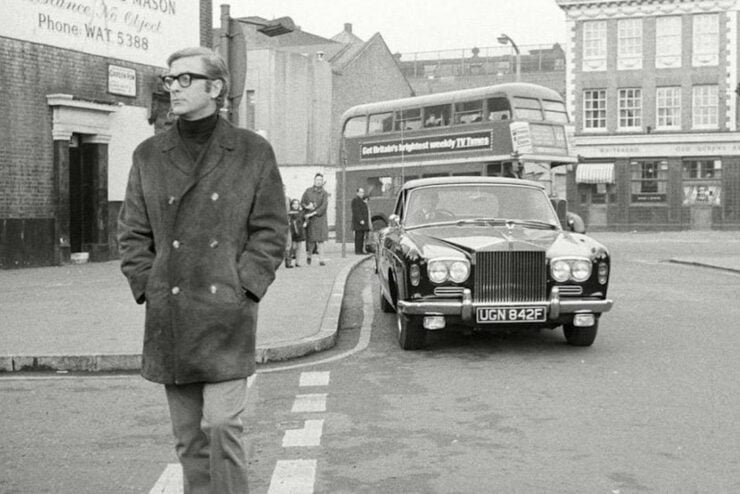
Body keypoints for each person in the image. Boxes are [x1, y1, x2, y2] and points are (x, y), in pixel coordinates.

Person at [117, 46, 288, 494]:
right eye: (170, 80)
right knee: (189, 439)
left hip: (226, 315)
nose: (173, 87)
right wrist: (148, 284)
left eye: (185, 79)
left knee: (222, 426)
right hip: (171, 316)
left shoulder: (251, 151)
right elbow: (133, 234)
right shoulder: (149, 155)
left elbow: (271, 229)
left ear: (215, 88)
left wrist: (245, 287)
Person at [301, 173, 329, 266]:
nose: (319, 182)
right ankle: (309, 255)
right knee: (311, 240)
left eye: (321, 180)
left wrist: (314, 212)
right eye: (317, 180)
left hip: (320, 219)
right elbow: (302, 203)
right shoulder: (308, 191)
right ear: (314, 180)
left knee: (321, 240)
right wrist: (307, 207)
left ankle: (321, 259)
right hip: (310, 219)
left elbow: (324, 206)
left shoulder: (324, 193)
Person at [287, 198, 307, 267]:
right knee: (293, 247)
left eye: (297, 204)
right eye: (294, 204)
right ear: (291, 205)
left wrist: (305, 223)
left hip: (300, 231)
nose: (296, 205)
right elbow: (288, 221)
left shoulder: (301, 212)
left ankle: (297, 262)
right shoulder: (290, 213)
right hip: (293, 231)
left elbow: (305, 218)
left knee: (299, 247)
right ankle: (290, 261)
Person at [351, 187, 370, 254]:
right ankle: (358, 250)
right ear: (357, 193)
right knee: (358, 237)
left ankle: (361, 250)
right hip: (358, 223)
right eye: (361, 192)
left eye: (363, 192)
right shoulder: (355, 200)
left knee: (362, 236)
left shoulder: (362, 200)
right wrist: (360, 220)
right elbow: (356, 211)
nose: (362, 194)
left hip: (363, 222)